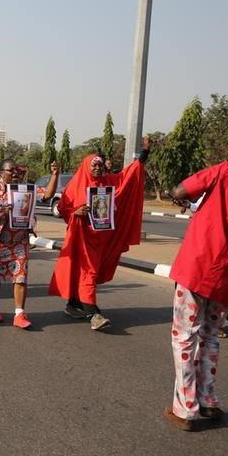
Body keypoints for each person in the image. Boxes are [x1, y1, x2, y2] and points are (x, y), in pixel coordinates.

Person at [162, 150, 228, 431]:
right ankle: (208, 399)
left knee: (184, 338)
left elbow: (183, 189)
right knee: (210, 337)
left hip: (199, 266)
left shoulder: (225, 170)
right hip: (227, 275)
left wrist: (175, 193)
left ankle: (186, 408)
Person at [48, 137, 151, 331]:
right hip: (82, 237)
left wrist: (144, 154)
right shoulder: (75, 185)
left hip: (103, 239)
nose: (97, 168)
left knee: (85, 272)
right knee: (89, 272)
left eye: (100, 165)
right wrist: (75, 213)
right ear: (87, 165)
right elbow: (63, 208)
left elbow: (128, 177)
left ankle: (73, 304)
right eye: (94, 165)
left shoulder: (108, 182)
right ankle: (94, 314)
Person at [0, 160, 59, 329]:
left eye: (17, 170)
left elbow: (47, 195)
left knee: (21, 275)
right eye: (11, 170)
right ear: (1, 173)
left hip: (19, 240)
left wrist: (55, 174)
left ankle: (19, 314)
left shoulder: (26, 189)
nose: (16, 173)